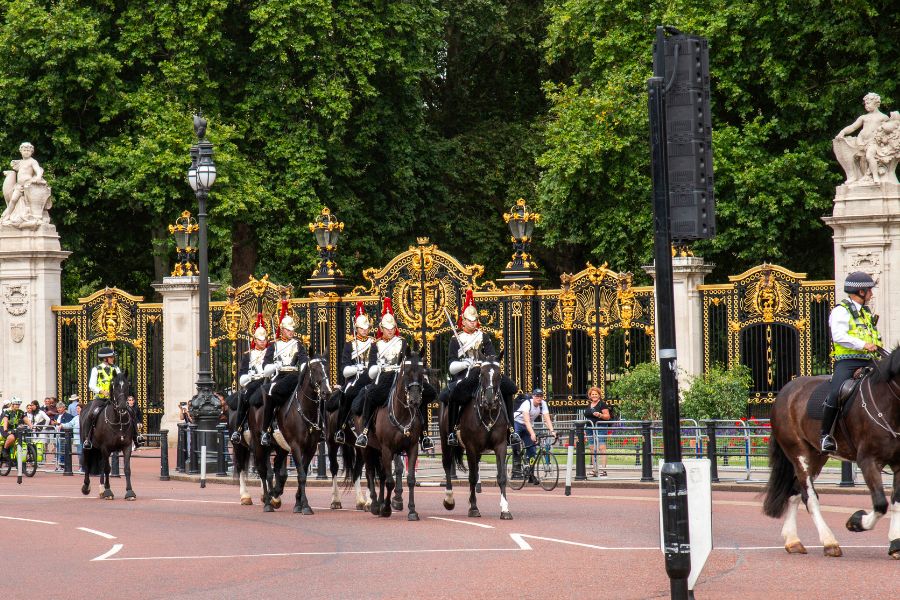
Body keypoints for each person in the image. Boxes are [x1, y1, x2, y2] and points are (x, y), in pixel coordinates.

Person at [356, 298, 437, 450]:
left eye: (392, 327)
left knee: (424, 394)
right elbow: (372, 367)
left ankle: (424, 434)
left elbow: (407, 361)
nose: (390, 331)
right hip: (385, 377)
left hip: (402, 377)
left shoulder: (402, 342)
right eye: (387, 328)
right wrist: (378, 367)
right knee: (369, 395)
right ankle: (365, 431)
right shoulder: (376, 345)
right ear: (381, 328)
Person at [443, 289, 519, 447]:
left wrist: (482, 362)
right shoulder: (455, 339)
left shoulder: (483, 336)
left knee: (510, 388)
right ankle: (452, 431)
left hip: (484, 373)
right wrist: (466, 363)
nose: (473, 323)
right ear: (463, 321)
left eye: (475, 320)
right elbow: (451, 366)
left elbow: (492, 356)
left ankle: (511, 430)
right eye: (470, 320)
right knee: (454, 394)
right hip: (465, 375)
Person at [821, 271, 882, 453]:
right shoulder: (840, 311)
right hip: (848, 361)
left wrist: (877, 346)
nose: (871, 294)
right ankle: (825, 435)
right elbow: (839, 336)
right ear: (860, 292)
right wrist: (864, 344)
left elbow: (872, 335)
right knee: (836, 392)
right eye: (869, 290)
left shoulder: (865, 312)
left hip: (870, 359)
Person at [260, 315, 309, 447]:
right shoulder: (273, 346)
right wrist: (275, 366)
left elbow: (304, 361)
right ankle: (266, 430)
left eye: (292, 330)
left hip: (294, 376)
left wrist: (304, 371)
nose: (291, 332)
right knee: (269, 393)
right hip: (279, 376)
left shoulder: (298, 344)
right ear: (282, 330)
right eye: (288, 330)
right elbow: (266, 366)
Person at [333, 301, 375, 445]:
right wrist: (356, 368)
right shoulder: (350, 345)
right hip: (354, 378)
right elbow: (344, 368)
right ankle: (341, 428)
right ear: (356, 328)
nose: (364, 331)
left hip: (371, 377)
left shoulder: (374, 342)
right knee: (347, 394)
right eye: (362, 328)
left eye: (366, 328)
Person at [230, 324, 269, 445]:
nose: (263, 342)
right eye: (260, 340)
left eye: (264, 340)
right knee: (244, 396)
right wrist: (249, 376)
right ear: (255, 340)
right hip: (254, 382)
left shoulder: (271, 352)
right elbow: (242, 374)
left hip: (267, 380)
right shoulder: (248, 355)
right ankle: (239, 428)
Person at [83, 347, 121, 450]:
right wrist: (101, 391)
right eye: (111, 357)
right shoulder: (96, 369)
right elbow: (91, 385)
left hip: (114, 399)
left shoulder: (116, 369)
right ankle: (87, 439)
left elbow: (119, 381)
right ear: (105, 358)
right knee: (90, 415)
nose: (113, 358)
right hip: (100, 398)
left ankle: (136, 436)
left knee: (129, 411)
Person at [513, 389, 556, 468]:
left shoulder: (543, 404)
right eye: (537, 396)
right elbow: (526, 420)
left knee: (532, 449)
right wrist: (532, 433)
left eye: (541, 396)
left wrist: (552, 431)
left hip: (527, 425)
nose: (539, 398)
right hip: (517, 422)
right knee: (515, 442)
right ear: (533, 396)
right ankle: (516, 465)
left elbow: (547, 419)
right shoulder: (527, 403)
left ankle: (530, 470)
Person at [583, 386, 611, 477]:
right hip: (590, 428)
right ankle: (595, 469)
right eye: (592, 394)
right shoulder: (589, 405)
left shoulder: (602, 404)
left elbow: (607, 416)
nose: (594, 396)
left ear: (599, 395)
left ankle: (603, 470)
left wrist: (599, 415)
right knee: (592, 448)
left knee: (602, 447)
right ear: (590, 396)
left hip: (600, 427)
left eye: (596, 394)